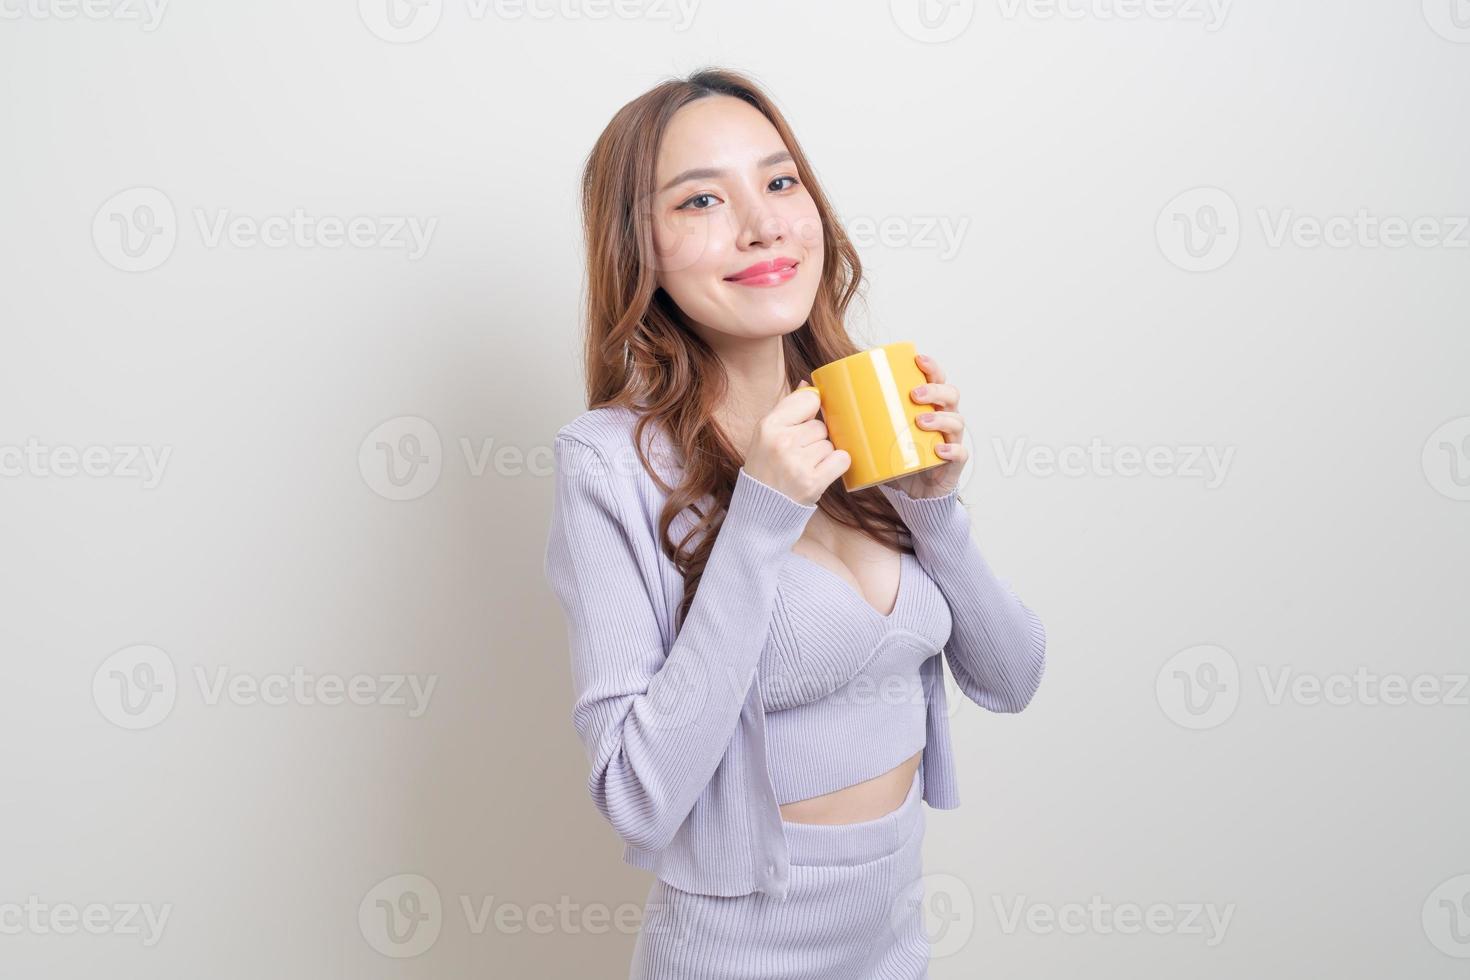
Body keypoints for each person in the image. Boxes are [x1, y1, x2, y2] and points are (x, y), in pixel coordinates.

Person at [543, 66, 1047, 980]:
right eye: (701, 199)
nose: (764, 223)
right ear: (641, 248)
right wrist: (760, 519)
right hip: (734, 956)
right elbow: (637, 796)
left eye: (781, 182)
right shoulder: (609, 463)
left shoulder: (863, 410)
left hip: (893, 943)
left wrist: (936, 512)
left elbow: (1012, 679)